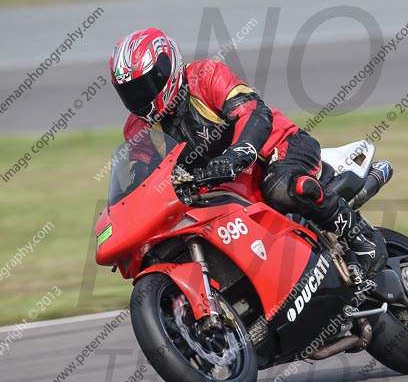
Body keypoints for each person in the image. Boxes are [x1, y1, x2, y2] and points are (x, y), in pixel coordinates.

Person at [109, 27, 387, 280]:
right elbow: (141, 180)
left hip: (278, 149)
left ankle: (361, 235)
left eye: (143, 86)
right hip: (223, 184)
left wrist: (238, 153)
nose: (139, 98)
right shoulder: (137, 129)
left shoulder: (206, 75)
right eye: (129, 92)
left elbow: (253, 112)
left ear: (165, 69)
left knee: (281, 187)